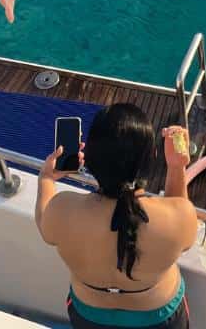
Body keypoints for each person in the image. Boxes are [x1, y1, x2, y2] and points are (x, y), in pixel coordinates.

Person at [36, 104, 197, 329]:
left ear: (89, 158)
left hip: (90, 316)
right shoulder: (180, 217)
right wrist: (176, 166)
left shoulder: (62, 210)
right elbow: (178, 212)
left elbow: (44, 225)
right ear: (151, 158)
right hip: (158, 317)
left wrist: (46, 178)